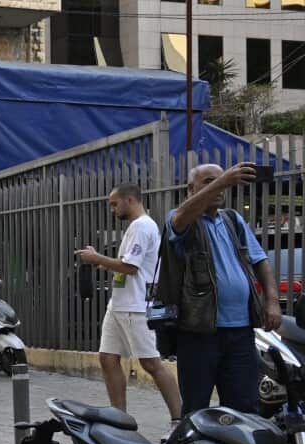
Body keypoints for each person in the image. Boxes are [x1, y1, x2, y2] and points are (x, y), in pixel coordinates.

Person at [159, 162, 280, 415]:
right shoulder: (181, 218)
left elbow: (260, 261)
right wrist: (224, 180)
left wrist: (272, 300)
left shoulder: (232, 220)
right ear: (191, 189)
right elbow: (180, 219)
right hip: (199, 332)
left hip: (241, 332)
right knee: (196, 409)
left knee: (244, 408)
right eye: (209, 181)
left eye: (222, 180)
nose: (220, 185)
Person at [75, 183, 183, 425]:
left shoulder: (142, 227)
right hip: (120, 305)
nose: (112, 209)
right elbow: (127, 264)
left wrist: (96, 258)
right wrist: (104, 262)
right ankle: (119, 417)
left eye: (115, 204)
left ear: (130, 200)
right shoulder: (136, 227)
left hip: (136, 308)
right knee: (107, 358)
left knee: (151, 363)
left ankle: (179, 417)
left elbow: (131, 267)